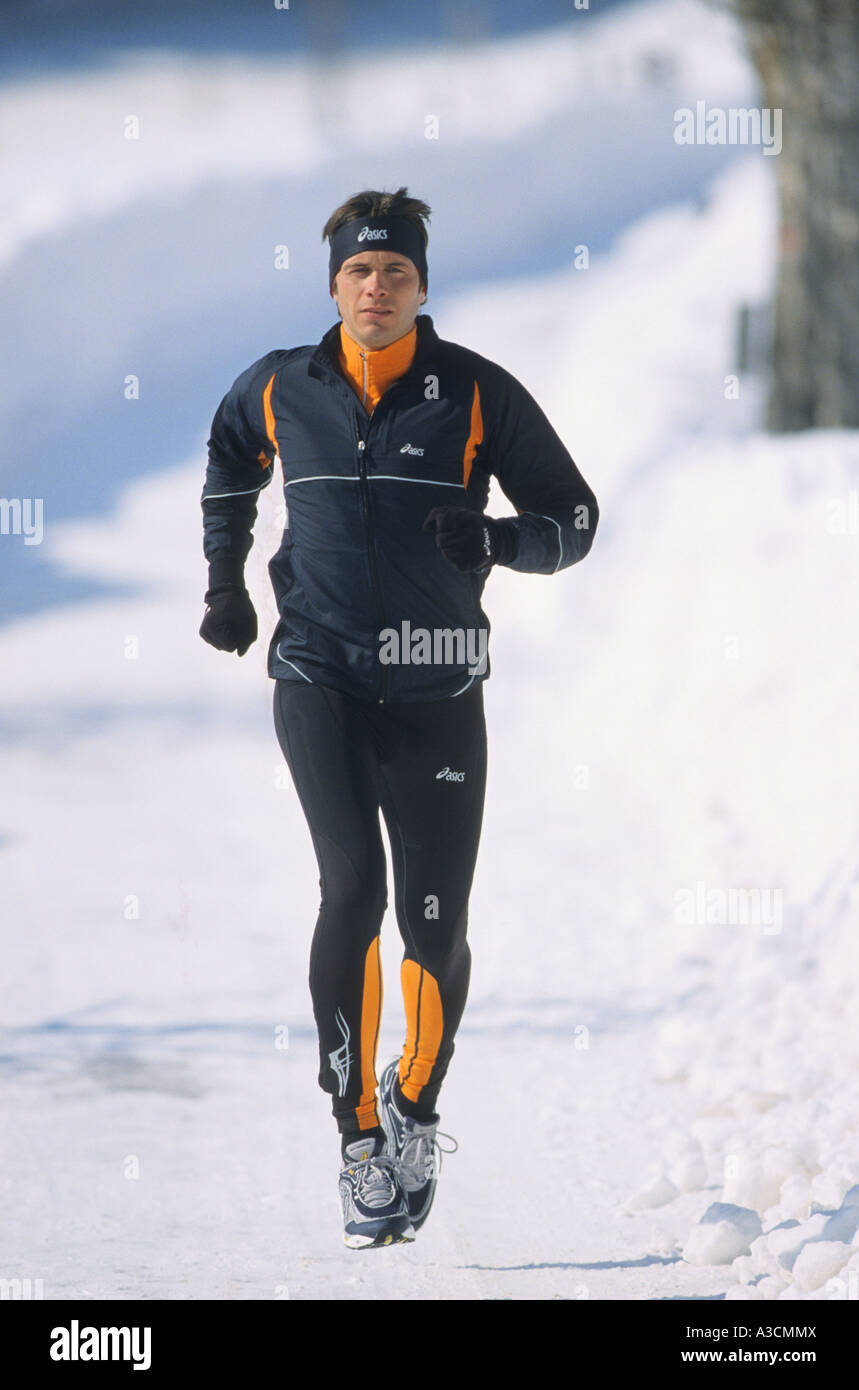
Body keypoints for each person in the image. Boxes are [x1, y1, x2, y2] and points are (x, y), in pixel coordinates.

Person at [199, 186, 599, 1249]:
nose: (376, 289)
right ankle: (356, 1130)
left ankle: (415, 1102)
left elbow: (573, 517)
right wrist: (224, 587)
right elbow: (228, 461)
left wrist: (502, 544)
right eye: (358, 272)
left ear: (422, 285)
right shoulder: (283, 384)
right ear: (331, 283)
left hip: (437, 684)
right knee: (352, 889)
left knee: (434, 927)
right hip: (318, 674)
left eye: (397, 273)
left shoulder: (472, 390)